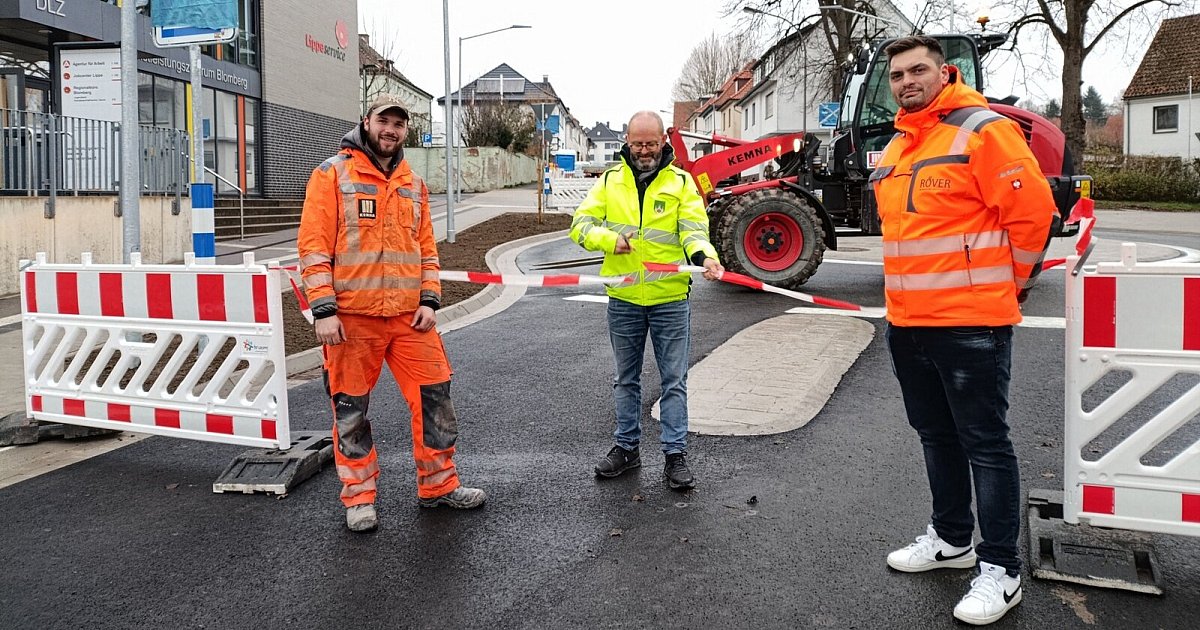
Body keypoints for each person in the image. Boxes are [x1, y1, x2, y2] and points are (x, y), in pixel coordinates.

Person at [870, 36, 1054, 625]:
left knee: (986, 445)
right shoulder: (899, 145)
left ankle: (1000, 572)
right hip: (908, 324)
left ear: (942, 72)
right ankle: (951, 539)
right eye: (897, 75)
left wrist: (1013, 285)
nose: (906, 82)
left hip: (971, 324)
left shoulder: (983, 130)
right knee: (936, 437)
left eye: (917, 70)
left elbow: (1032, 216)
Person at [297, 93, 486, 533]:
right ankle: (359, 498)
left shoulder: (412, 184)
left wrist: (429, 300)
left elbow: (426, 250)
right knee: (351, 411)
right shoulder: (332, 174)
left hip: (408, 320)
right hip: (351, 321)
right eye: (384, 120)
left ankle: (438, 486)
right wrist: (323, 310)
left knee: (435, 398)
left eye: (399, 125)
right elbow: (313, 248)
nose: (391, 130)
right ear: (366, 121)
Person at [570, 111, 724, 491]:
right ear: (627, 140)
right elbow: (580, 226)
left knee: (674, 381)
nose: (643, 151)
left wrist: (705, 257)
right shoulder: (609, 182)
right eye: (637, 143)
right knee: (626, 379)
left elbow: (693, 231)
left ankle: (675, 456)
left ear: (662, 141)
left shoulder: (681, 183)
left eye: (650, 144)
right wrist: (609, 240)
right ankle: (627, 448)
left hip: (670, 299)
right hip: (623, 299)